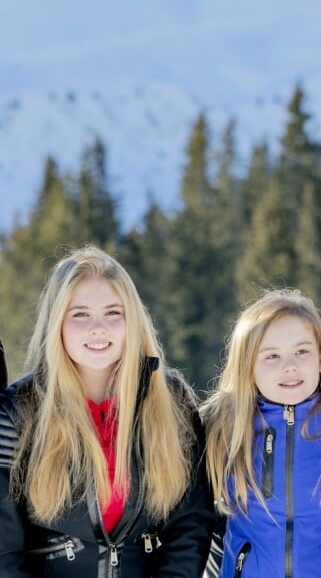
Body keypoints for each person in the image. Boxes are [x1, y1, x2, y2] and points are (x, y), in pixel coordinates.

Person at [0, 246, 214, 577]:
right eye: (80, 314)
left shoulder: (171, 401)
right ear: (56, 322)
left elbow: (190, 525)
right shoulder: (18, 411)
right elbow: (5, 551)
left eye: (113, 313)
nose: (98, 327)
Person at [201, 288, 321, 577]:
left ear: (320, 359)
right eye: (272, 356)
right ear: (247, 367)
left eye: (302, 351)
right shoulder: (220, 425)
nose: (289, 366)